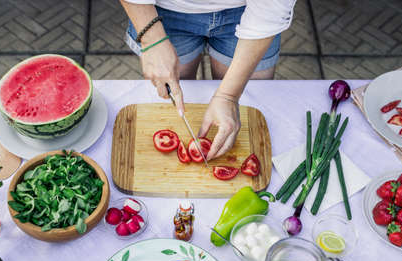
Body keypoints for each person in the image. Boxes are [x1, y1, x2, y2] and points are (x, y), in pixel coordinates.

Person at [120, 0, 296, 160]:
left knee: (252, 98)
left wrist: (228, 95)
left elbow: (272, 7)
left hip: (252, 11)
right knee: (176, 92)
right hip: (163, 11)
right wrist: (153, 39)